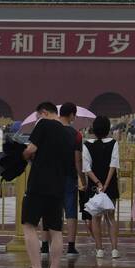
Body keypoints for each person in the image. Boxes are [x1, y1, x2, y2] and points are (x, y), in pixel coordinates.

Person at [18, 101, 73, 268]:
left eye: (37, 116)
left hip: (39, 184)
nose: (37, 119)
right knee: (55, 230)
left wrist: (23, 155)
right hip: (58, 185)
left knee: (29, 225)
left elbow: (31, 149)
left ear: (43, 112)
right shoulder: (68, 133)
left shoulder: (43, 124)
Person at [83, 115, 120, 258]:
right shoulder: (113, 143)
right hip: (109, 186)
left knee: (95, 218)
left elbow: (87, 168)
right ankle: (114, 249)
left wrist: (98, 183)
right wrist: (106, 184)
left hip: (94, 186)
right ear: (108, 128)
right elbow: (113, 165)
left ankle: (99, 249)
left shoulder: (87, 144)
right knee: (111, 217)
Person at [57, 102, 85, 256]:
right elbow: (77, 160)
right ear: (72, 115)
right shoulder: (76, 135)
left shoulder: (51, 131)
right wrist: (82, 178)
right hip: (69, 176)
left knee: (51, 210)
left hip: (52, 176)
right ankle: (71, 246)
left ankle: (46, 245)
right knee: (71, 211)